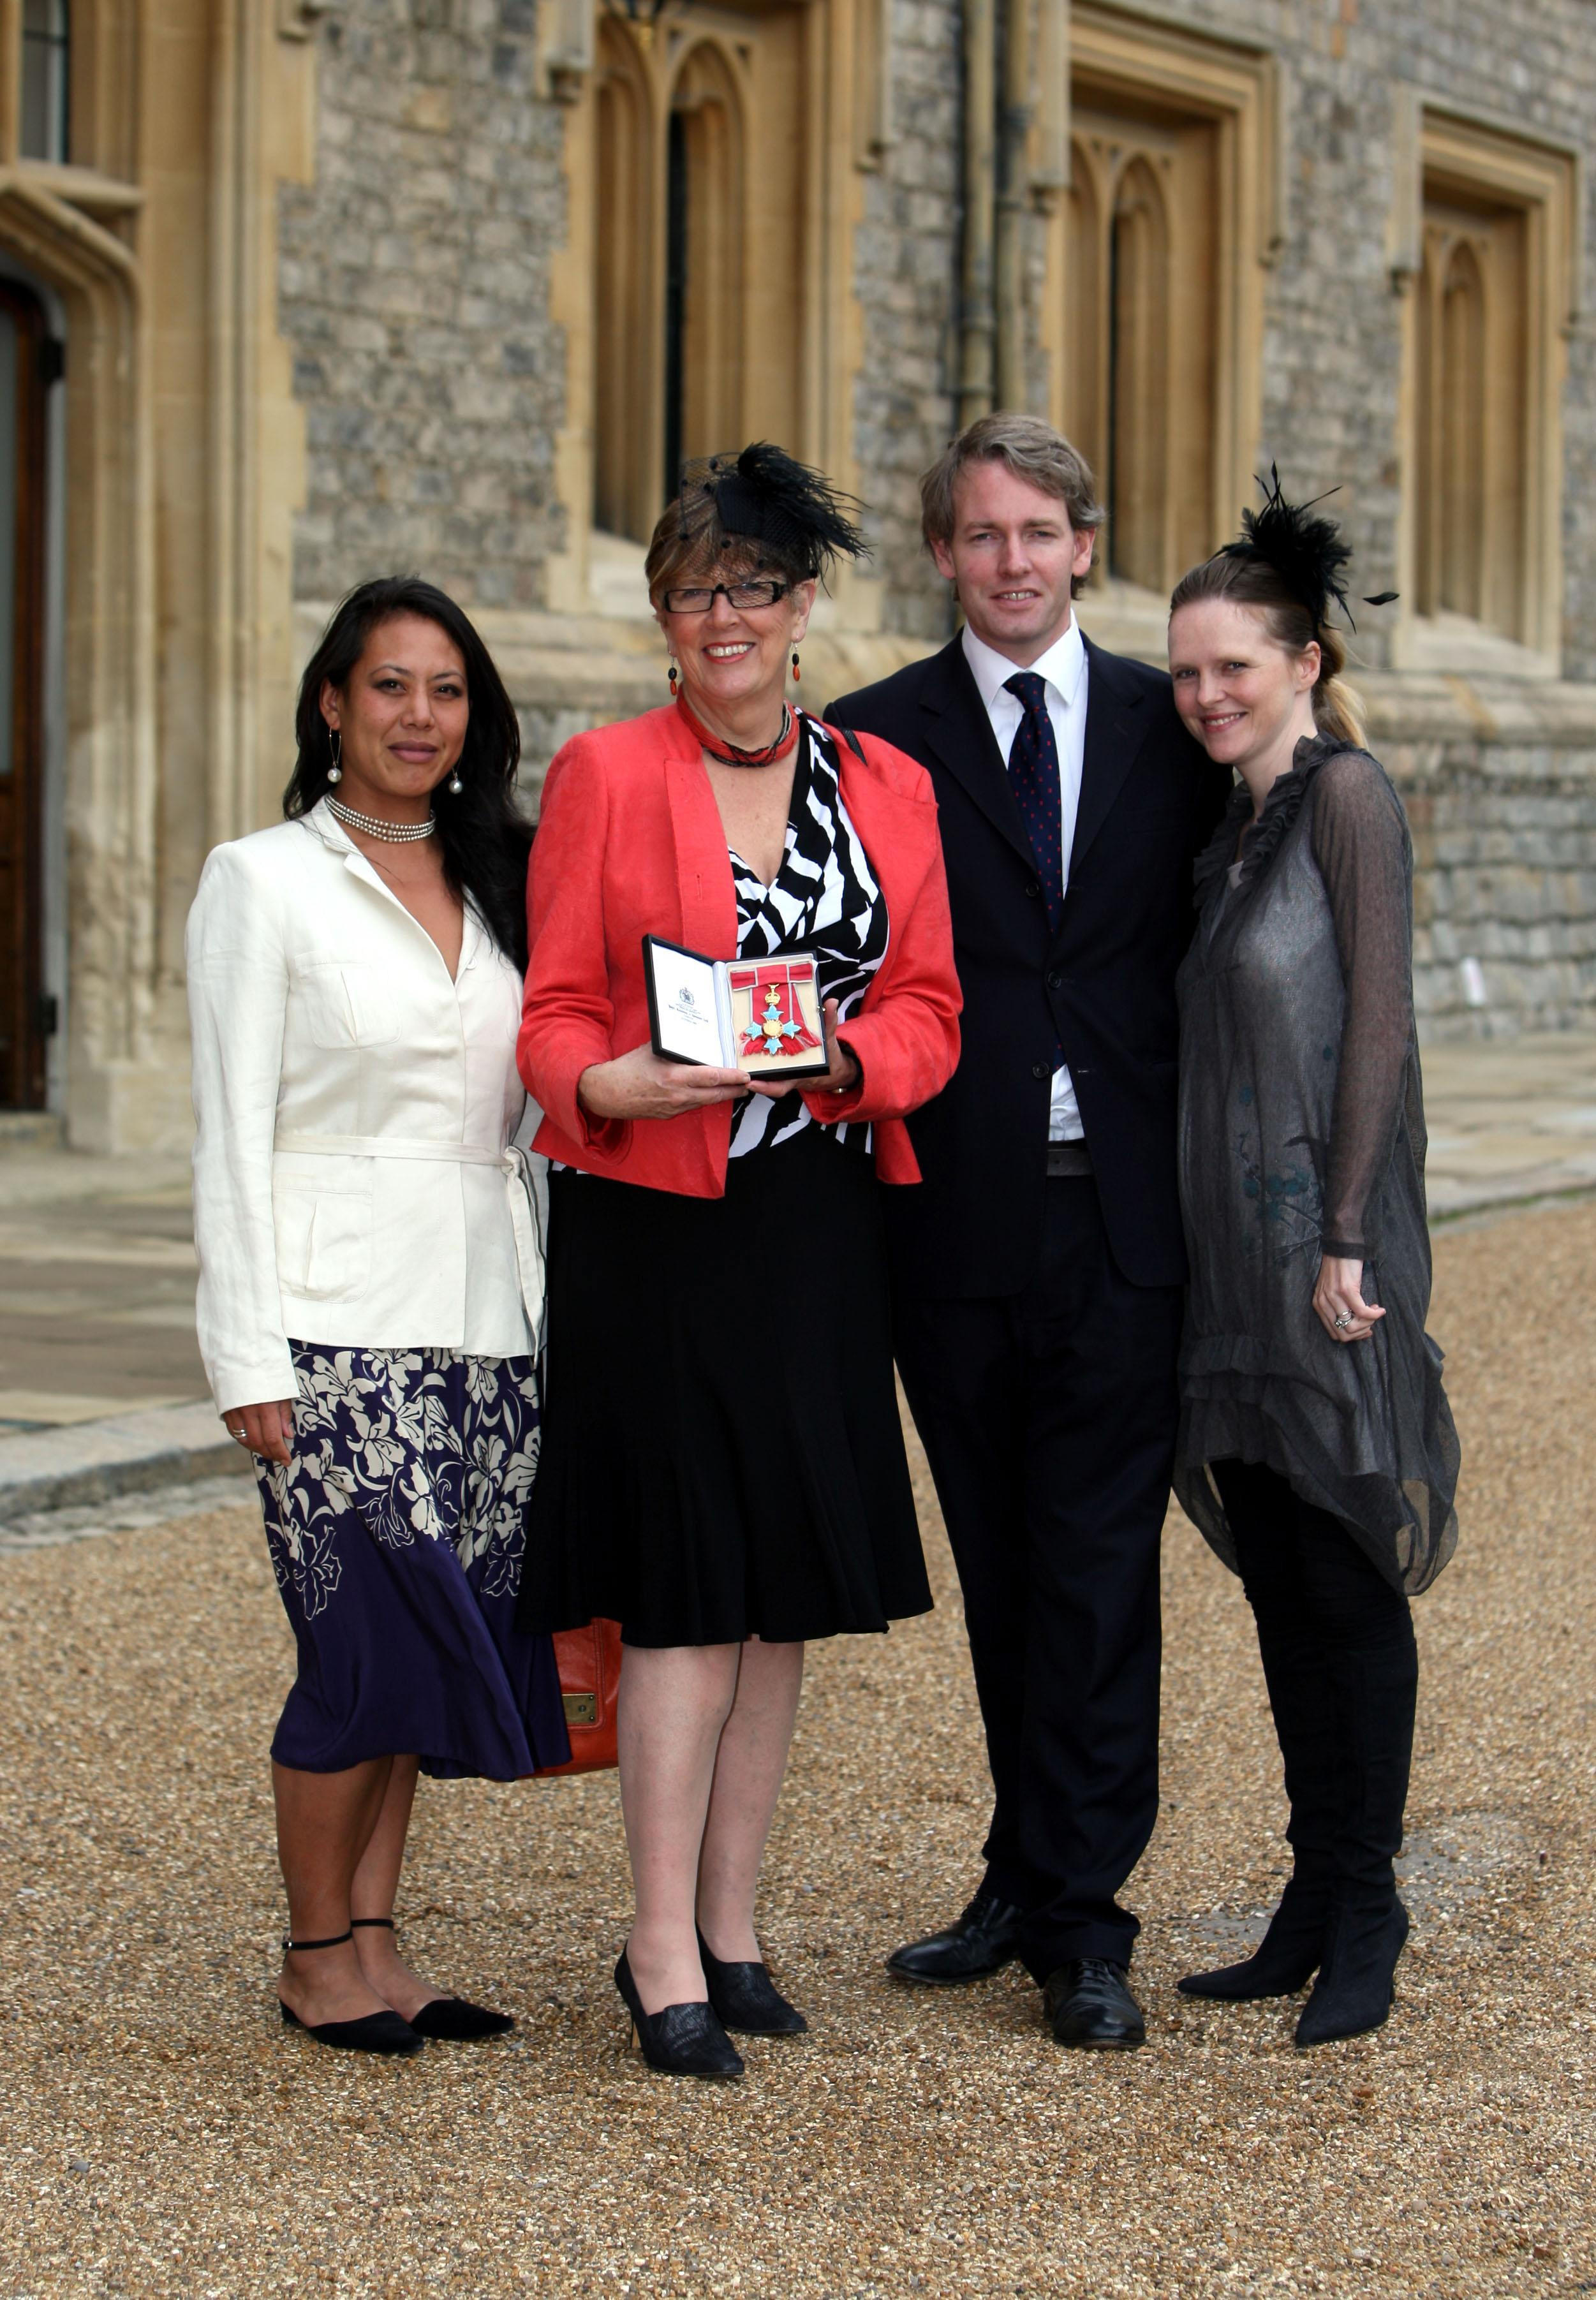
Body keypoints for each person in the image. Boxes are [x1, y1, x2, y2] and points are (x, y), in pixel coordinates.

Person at [517, 444, 961, 2081]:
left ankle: (735, 1923)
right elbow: (556, 1015)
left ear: (805, 606)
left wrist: (852, 1066)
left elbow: (930, 1005)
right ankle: (655, 1949)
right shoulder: (607, 774)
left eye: (755, 587)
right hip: (658, 1223)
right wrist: (605, 1084)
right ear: (663, 612)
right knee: (690, 1599)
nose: (728, 616)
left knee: (779, 1604)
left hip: (816, 1227)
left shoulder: (886, 787)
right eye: (696, 588)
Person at [827, 413, 1230, 2052]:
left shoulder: (1172, 723)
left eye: (1039, 534)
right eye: (981, 536)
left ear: (1085, 545)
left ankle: (1086, 1922)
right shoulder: (870, 740)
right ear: (944, 555)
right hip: (953, 1219)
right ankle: (1020, 1866)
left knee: (1097, 1569)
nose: (1011, 562)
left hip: (1131, 1219)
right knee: (1001, 1564)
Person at [187, 575, 567, 2058]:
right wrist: (245, 1355)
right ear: (332, 703)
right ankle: (309, 1954)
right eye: (390, 686)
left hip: (489, 1320)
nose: (420, 715)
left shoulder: (499, 882)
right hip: (332, 1328)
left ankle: (381, 1945)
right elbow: (227, 1130)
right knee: (356, 1646)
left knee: (433, 1643)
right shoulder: (262, 877)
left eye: (447, 689)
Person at [1167, 478, 1459, 2047]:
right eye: (1188, 670)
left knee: (1347, 1582)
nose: (1209, 694)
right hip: (1232, 1268)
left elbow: (1381, 1027)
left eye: (1237, 666)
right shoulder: (1228, 836)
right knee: (1283, 1585)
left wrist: (1349, 1234)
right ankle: (1308, 1888)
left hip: (1327, 1258)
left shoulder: (1345, 800)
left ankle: (1369, 1905)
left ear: (1306, 667)